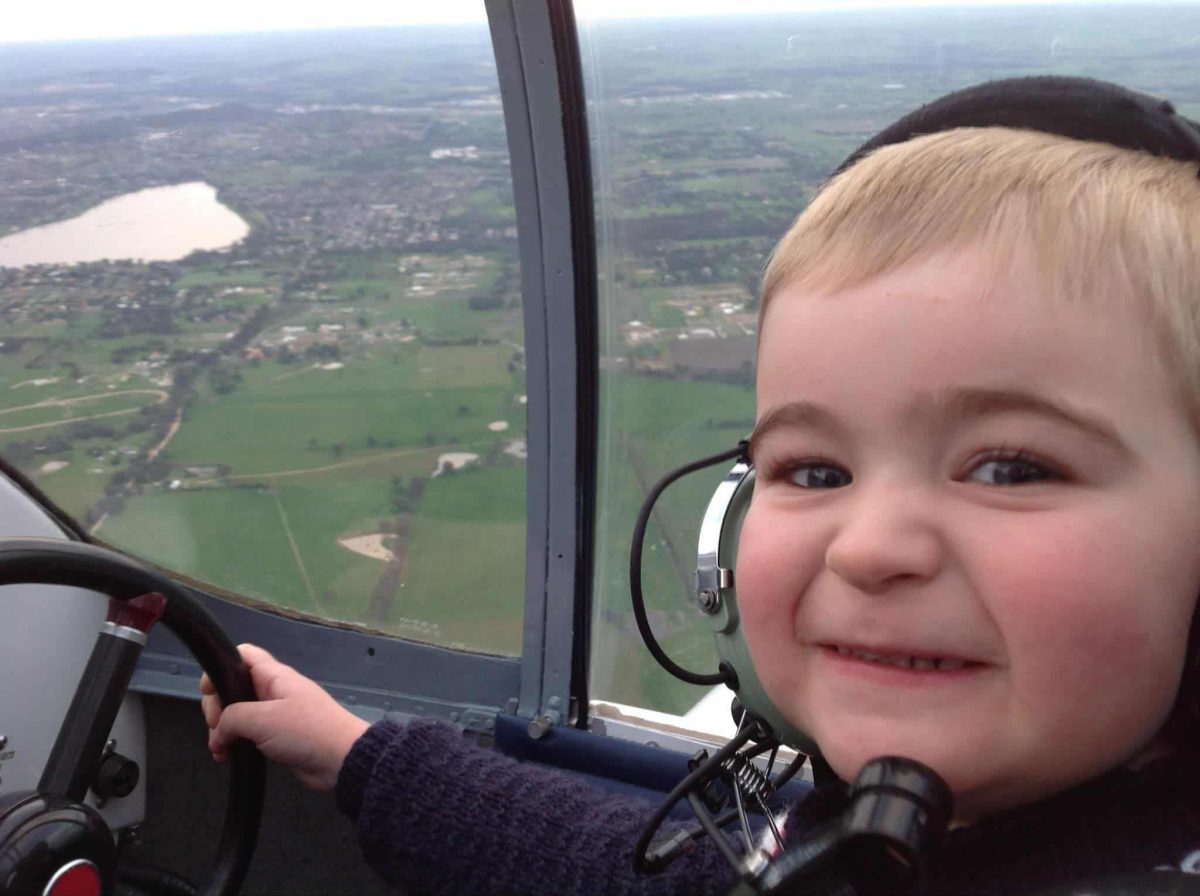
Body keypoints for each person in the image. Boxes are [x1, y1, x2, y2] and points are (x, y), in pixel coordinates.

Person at [201, 77, 1200, 894]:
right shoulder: (866, 837)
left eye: (1012, 466)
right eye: (815, 469)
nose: (870, 545)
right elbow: (645, 880)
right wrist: (356, 752)